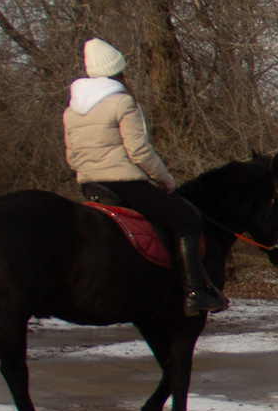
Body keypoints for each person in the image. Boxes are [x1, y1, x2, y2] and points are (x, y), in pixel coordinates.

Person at [63, 37, 229, 314]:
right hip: (124, 184)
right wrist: (164, 179)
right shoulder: (122, 102)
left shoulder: (71, 110)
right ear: (118, 70)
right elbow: (139, 152)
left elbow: (71, 157)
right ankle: (194, 293)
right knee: (187, 219)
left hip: (90, 185)